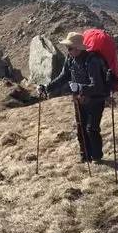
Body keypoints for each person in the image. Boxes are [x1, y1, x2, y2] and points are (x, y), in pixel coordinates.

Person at [39, 32, 109, 163]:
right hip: (79, 99)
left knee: (91, 128)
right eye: (67, 48)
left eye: (70, 48)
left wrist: (80, 88)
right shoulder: (70, 59)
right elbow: (64, 76)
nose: (68, 50)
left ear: (78, 48)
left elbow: (97, 86)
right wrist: (47, 87)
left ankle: (97, 157)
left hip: (95, 100)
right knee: (80, 127)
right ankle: (85, 155)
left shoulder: (92, 61)